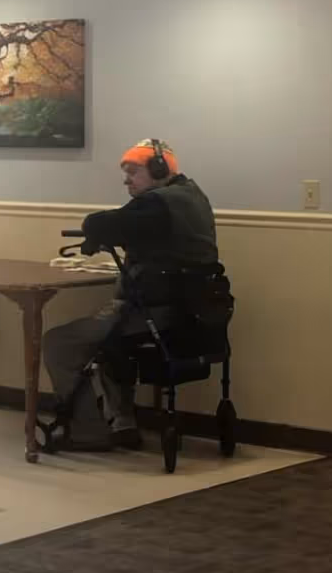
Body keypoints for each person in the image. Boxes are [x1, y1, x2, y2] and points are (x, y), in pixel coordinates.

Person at [43, 138, 218, 451]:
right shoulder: (193, 196)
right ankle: (121, 423)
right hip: (193, 311)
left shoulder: (155, 203)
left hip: (151, 312)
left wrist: (92, 235)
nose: (126, 179)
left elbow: (101, 222)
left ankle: (88, 432)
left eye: (133, 172)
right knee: (109, 345)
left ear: (158, 169)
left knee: (60, 342)